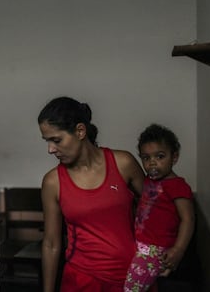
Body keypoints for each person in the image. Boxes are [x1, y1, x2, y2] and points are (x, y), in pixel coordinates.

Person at [37, 96, 152, 292]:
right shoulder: (52, 182)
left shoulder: (123, 163)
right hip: (82, 279)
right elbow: (51, 243)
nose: (50, 149)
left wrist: (170, 251)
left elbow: (156, 211)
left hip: (133, 277)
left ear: (80, 131)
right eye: (47, 141)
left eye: (56, 140)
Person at [123, 124, 195, 291]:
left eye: (160, 156)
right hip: (140, 245)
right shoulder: (149, 181)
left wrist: (179, 249)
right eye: (146, 158)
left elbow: (188, 219)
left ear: (174, 157)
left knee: (131, 289)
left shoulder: (177, 185)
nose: (152, 163)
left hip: (155, 250)